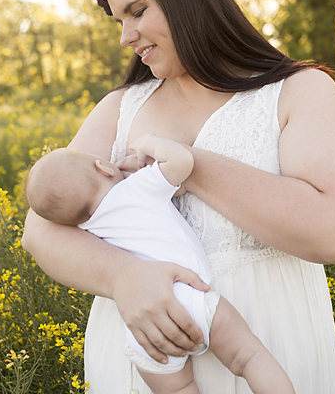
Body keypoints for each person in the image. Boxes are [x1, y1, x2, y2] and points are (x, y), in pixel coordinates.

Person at [21, 0, 335, 393]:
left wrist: (191, 165)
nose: (126, 35)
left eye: (137, 11)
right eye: (118, 20)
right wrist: (125, 278)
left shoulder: (298, 91)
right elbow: (39, 231)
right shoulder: (120, 108)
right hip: (150, 361)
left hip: (270, 343)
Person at [24, 134, 295, 394]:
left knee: (179, 388)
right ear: (103, 167)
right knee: (249, 359)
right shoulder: (137, 189)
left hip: (145, 327)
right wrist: (147, 143)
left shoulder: (86, 231)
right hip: (192, 298)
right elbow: (181, 161)